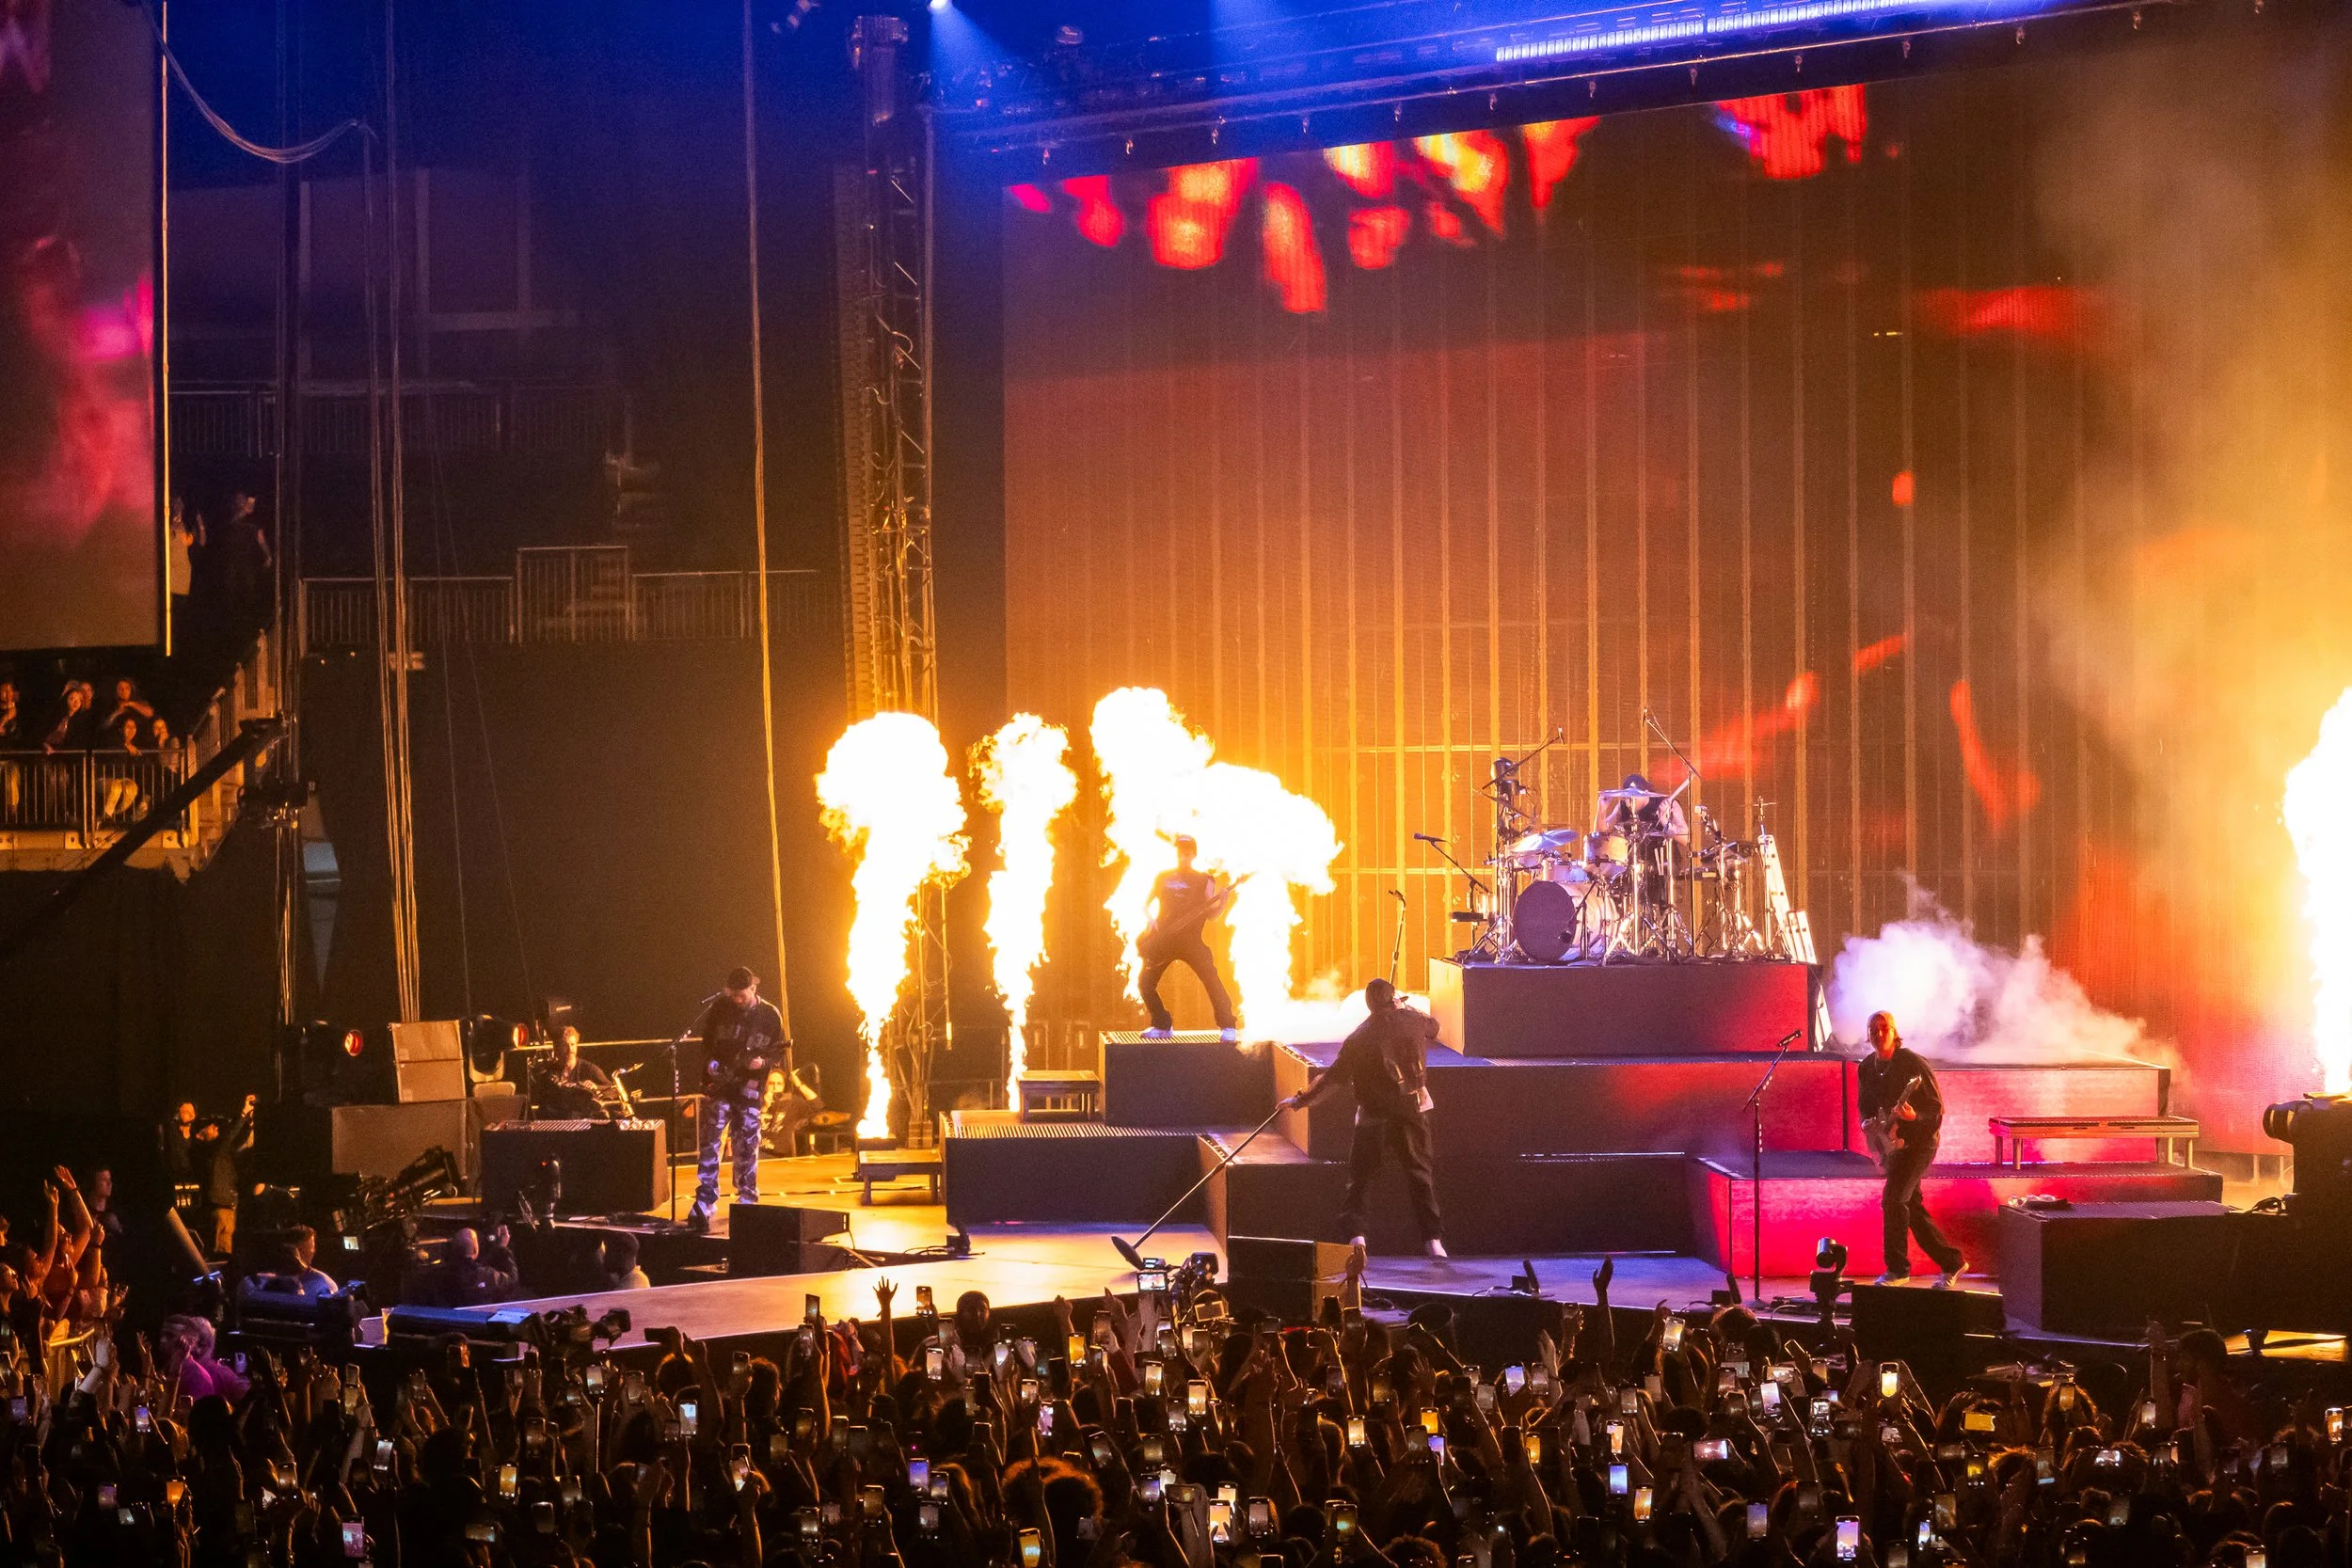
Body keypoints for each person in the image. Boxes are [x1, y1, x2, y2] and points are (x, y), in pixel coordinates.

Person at [1286, 976, 1448, 1261]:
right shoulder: (1412, 1020)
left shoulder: (1358, 1038)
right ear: (1394, 998)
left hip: (1373, 1117)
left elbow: (1332, 1079)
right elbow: (1435, 1028)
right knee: (1420, 1176)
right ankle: (1433, 1242)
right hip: (1411, 1111)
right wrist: (1405, 1010)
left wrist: (1299, 1101)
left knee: (1360, 1180)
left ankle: (1356, 1237)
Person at [1857, 1009, 1965, 1287]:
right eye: (1873, 1028)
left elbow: (1936, 1110)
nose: (1879, 1033)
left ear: (1895, 1033)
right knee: (1911, 1206)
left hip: (1920, 1142)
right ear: (1867, 1034)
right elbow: (1865, 1108)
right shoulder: (1866, 1067)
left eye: (1884, 1028)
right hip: (1893, 1144)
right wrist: (1867, 1125)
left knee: (1893, 1200)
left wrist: (1914, 1116)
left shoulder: (1913, 1064)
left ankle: (1898, 1270)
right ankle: (1952, 1262)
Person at [686, 966, 787, 1232]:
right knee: (710, 1144)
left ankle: (746, 1198)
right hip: (720, 1086)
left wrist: (762, 1062)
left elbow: (779, 1053)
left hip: (750, 1088)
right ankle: (706, 1200)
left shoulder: (769, 1015)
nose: (737, 999)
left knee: (747, 1145)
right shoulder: (720, 1008)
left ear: (753, 989)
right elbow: (706, 1044)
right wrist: (710, 1065)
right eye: (733, 994)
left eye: (741, 994)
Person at [1137, 833, 1240, 1043]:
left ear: (1193, 854)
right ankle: (1162, 1024)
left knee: (1211, 979)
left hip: (1191, 940)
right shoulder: (1163, 877)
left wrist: (1222, 902)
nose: (1182, 856)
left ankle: (1228, 1025)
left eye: (1186, 852)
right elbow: (1146, 904)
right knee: (1145, 983)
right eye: (1179, 852)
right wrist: (1150, 921)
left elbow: (1211, 915)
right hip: (1164, 939)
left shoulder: (1204, 880)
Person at [533, 1024, 616, 1118]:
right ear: (556, 1049)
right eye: (565, 1046)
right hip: (557, 1121)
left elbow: (613, 1090)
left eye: (572, 1045)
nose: (570, 1050)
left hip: (584, 1120)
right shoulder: (549, 1072)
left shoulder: (589, 1069)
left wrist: (596, 1087)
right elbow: (542, 1104)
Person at [253, 1225, 340, 1299]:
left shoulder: (322, 1281)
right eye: (311, 1247)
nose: (313, 1251)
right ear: (296, 1250)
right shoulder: (263, 1281)